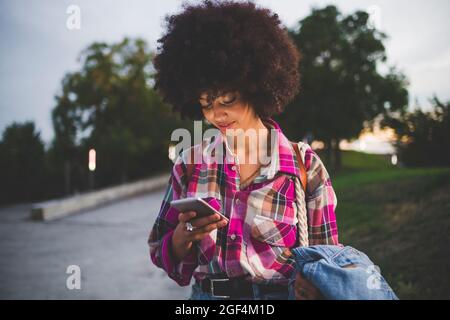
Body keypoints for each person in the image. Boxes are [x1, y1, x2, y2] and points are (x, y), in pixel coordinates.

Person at [148, 0, 339, 300]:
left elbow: (329, 259)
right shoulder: (189, 164)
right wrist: (184, 237)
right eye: (207, 104)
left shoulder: (305, 166)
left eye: (228, 100)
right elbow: (162, 253)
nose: (216, 115)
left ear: (255, 87)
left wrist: (315, 283)